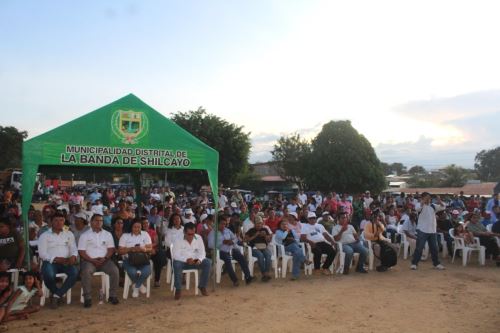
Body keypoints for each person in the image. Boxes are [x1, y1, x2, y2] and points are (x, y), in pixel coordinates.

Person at [38, 212, 78, 309]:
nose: (59, 222)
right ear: (51, 222)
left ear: (64, 221)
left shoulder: (69, 233)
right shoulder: (44, 235)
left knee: (75, 273)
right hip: (51, 262)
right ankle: (57, 293)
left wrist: (73, 256)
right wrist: (55, 259)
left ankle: (56, 295)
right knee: (48, 275)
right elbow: (42, 253)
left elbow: (73, 248)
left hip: (66, 262)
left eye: (61, 220)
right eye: (56, 220)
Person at [78, 214, 119, 307]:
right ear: (91, 222)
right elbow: (81, 251)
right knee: (86, 271)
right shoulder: (84, 235)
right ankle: (87, 297)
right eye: (96, 220)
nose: (99, 222)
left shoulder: (107, 234)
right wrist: (92, 260)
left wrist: (104, 258)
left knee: (115, 271)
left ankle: (112, 295)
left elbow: (111, 249)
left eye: (101, 221)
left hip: (104, 260)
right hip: (89, 260)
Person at [208, 215, 253, 286]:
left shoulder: (227, 230)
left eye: (225, 224)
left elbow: (235, 238)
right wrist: (222, 242)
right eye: (222, 224)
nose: (223, 226)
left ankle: (248, 276)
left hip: (231, 249)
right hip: (220, 251)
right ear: (217, 224)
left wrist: (232, 242)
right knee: (227, 259)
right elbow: (210, 245)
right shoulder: (213, 233)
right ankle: (235, 280)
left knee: (241, 257)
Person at [171, 222, 211, 300]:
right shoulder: (177, 239)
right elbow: (175, 255)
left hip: (195, 260)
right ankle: (178, 289)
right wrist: (186, 259)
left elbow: (202, 252)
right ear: (184, 232)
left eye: (193, 233)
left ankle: (202, 286)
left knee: (207, 262)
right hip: (182, 261)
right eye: (189, 234)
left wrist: (199, 259)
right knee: (176, 264)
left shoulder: (198, 237)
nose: (192, 236)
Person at [410, 193, 446, 270]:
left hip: (432, 230)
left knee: (434, 248)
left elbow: (443, 207)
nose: (428, 199)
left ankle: (436, 264)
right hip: (422, 230)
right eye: (426, 198)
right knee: (419, 248)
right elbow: (417, 209)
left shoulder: (433, 206)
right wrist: (423, 201)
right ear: (422, 198)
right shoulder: (419, 205)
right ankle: (414, 263)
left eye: (429, 198)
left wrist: (439, 201)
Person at [118, 219, 152, 298]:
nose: (137, 229)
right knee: (133, 272)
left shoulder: (145, 234)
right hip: (128, 259)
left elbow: (150, 248)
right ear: (131, 227)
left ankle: (136, 286)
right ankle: (139, 285)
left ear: (141, 227)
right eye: (135, 227)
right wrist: (131, 249)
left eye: (139, 227)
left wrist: (144, 249)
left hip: (143, 259)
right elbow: (120, 251)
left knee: (147, 271)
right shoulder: (125, 236)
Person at [245, 216, 272, 282]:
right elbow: (246, 240)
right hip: (254, 248)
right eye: (257, 223)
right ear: (254, 224)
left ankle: (266, 273)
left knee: (268, 255)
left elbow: (268, 241)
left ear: (262, 223)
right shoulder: (251, 230)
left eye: (260, 223)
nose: (259, 225)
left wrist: (265, 236)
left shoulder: (265, 229)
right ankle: (264, 274)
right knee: (260, 256)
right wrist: (255, 235)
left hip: (264, 247)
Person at [141, 217, 166, 288]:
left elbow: (156, 242)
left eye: (147, 223)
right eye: (143, 223)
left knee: (159, 257)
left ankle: (157, 280)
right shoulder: (139, 232)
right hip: (143, 251)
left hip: (153, 250)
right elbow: (139, 245)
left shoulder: (152, 231)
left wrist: (151, 248)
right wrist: (148, 249)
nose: (145, 224)